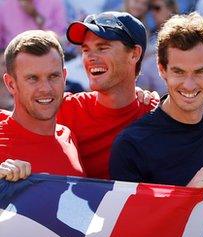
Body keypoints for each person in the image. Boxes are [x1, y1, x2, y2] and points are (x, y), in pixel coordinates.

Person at [110, 13, 203, 192]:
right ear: (162, 69)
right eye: (179, 72)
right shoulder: (132, 145)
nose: (189, 84)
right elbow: (129, 218)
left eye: (199, 72)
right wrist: (186, 196)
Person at [58, 11, 158, 180]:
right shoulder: (62, 109)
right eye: (85, 49)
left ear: (134, 54)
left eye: (102, 48)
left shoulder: (156, 113)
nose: (90, 57)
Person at [0, 30, 84, 181]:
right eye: (33, 78)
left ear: (64, 77)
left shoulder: (67, 136)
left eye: (53, 76)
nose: (46, 88)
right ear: (11, 84)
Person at [0, 0, 67, 49]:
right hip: (14, 58)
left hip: (46, 53)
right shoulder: (5, 7)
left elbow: (60, 34)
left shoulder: (53, 2)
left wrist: (35, 15)